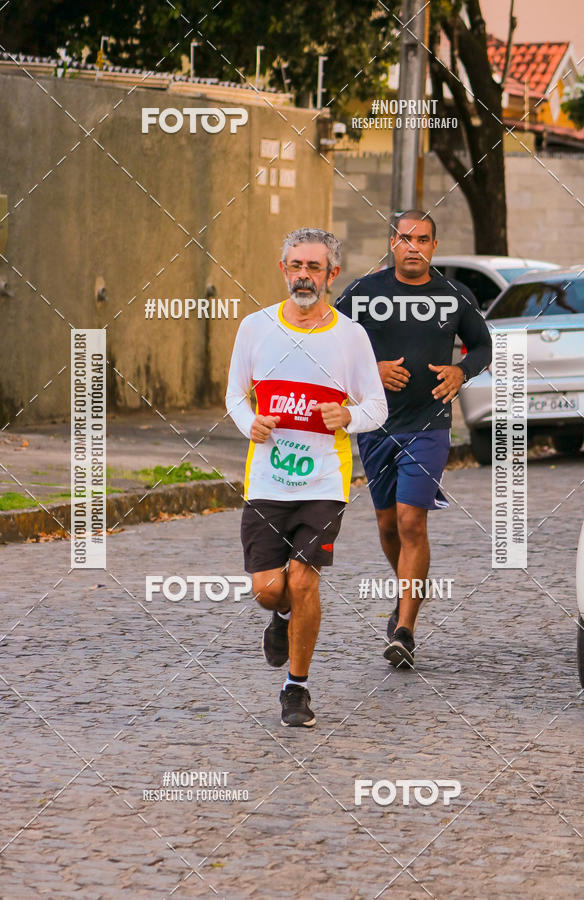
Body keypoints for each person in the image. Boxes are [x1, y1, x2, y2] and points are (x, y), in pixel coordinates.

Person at [226, 227, 387, 727]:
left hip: (323, 483)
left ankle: (296, 688)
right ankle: (279, 618)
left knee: (303, 579)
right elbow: (234, 395)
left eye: (314, 267)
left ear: (332, 275)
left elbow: (377, 407)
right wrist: (247, 423)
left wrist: (349, 418)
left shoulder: (350, 336)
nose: (303, 275)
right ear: (283, 270)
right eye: (296, 265)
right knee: (269, 589)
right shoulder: (255, 328)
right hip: (267, 484)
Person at [335, 210, 492, 669]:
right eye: (405, 238)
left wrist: (462, 370)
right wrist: (371, 371)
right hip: (376, 423)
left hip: (429, 424)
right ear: (392, 242)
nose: (413, 246)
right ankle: (407, 591)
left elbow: (483, 345)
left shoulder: (454, 295)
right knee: (387, 526)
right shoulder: (363, 293)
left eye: (422, 238)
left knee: (410, 522)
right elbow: (328, 344)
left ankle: (405, 628)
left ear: (434, 246)